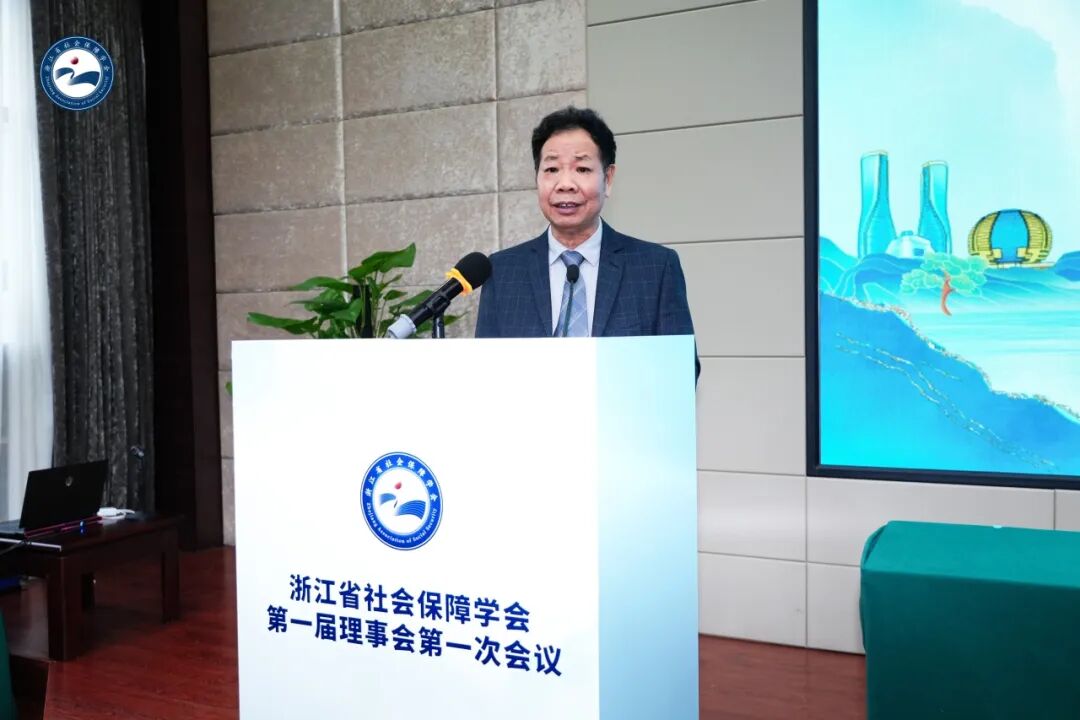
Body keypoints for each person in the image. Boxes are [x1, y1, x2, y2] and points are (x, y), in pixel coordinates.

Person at [475, 106, 698, 376]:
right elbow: (485, 373)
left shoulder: (656, 267)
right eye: (551, 169)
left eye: (582, 168)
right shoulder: (502, 271)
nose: (565, 184)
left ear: (608, 178)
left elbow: (681, 372)